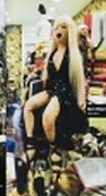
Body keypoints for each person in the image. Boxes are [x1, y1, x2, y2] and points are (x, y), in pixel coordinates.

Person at [22, 15, 88, 161]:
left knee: (48, 116)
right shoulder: (51, 54)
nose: (59, 30)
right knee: (28, 106)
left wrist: (81, 99)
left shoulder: (73, 56)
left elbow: (79, 79)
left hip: (65, 93)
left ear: (70, 31)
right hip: (51, 91)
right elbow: (46, 77)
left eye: (63, 27)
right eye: (57, 27)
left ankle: (55, 146)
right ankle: (31, 143)